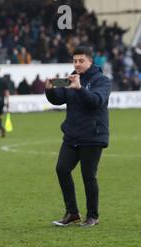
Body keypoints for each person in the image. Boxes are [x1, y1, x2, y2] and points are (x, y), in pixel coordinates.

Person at [46, 46, 112, 227]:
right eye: (75, 61)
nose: (77, 64)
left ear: (91, 61)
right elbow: (57, 99)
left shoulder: (102, 81)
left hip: (93, 135)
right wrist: (50, 88)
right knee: (62, 169)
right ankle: (72, 213)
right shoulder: (70, 78)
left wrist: (80, 88)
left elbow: (96, 101)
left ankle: (93, 216)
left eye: (81, 61)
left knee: (88, 175)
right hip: (72, 135)